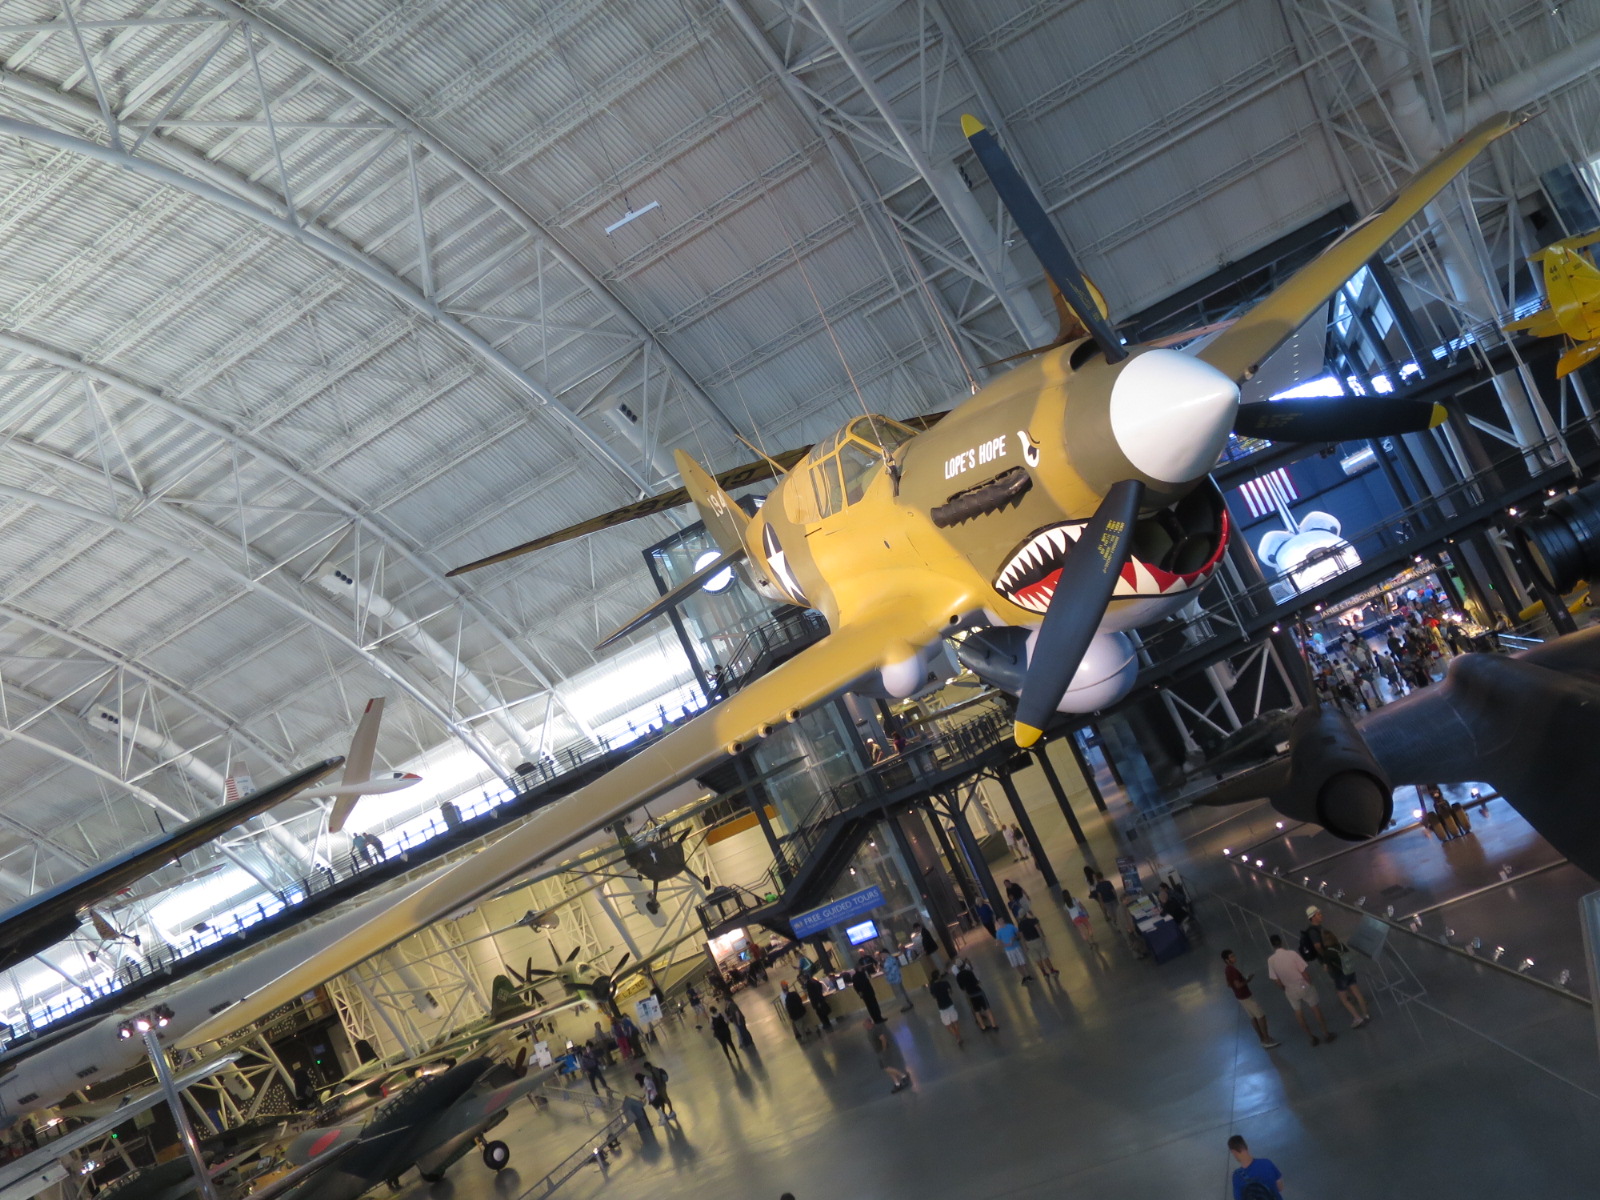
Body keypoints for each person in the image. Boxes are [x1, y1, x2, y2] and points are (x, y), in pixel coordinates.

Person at [1299, 906, 1371, 1027]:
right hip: (1344, 967)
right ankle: (1365, 1012)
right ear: (1313, 917)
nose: (1321, 915)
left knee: (1341, 991)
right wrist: (1326, 958)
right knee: (1354, 988)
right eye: (1318, 914)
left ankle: (1356, 1016)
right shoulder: (1314, 932)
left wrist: (1327, 960)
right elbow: (1317, 946)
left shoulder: (1319, 930)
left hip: (1337, 969)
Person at [1266, 933, 1336, 1046]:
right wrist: (1309, 982)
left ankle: (1311, 1037)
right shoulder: (1292, 954)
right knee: (1315, 1008)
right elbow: (1304, 972)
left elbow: (1276, 980)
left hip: (1289, 989)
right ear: (1281, 941)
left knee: (1298, 1013)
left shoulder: (1271, 960)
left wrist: (1284, 988)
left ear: (1272, 945)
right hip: (1302, 984)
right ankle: (1326, 1033)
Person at [1221, 950, 1280, 1049]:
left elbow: (1228, 984)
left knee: (1253, 1017)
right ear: (1227, 960)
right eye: (1231, 957)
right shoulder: (1232, 970)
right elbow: (1238, 985)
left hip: (1240, 997)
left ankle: (1262, 1038)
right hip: (1245, 996)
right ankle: (1266, 1039)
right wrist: (1248, 980)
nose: (1234, 958)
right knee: (1261, 1016)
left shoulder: (1227, 970)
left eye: (1234, 955)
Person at [863, 1016, 910, 1093]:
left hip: (882, 1052)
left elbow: (883, 1039)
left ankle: (903, 1076)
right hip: (879, 1053)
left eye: (865, 1024)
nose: (864, 1026)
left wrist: (884, 1050)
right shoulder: (870, 1031)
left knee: (886, 1068)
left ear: (869, 1023)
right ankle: (897, 1083)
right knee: (887, 1068)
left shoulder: (875, 1029)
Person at [953, 957, 998, 1032]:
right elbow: (976, 982)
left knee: (977, 1011)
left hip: (970, 994)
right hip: (978, 992)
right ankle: (994, 1025)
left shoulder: (958, 977)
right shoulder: (969, 972)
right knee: (987, 1009)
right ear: (963, 965)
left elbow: (962, 988)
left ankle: (983, 1027)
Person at [927, 968, 963, 1046]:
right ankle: (958, 1035)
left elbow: (934, 996)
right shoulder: (945, 983)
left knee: (948, 1025)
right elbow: (950, 992)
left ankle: (957, 1036)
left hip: (942, 1007)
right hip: (949, 1004)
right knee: (955, 1021)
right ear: (938, 976)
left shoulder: (932, 987)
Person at [1017, 911, 1059, 976]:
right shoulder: (1032, 921)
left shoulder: (1020, 925)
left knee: (1037, 959)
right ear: (1025, 915)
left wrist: (1025, 946)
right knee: (1044, 956)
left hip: (1029, 943)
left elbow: (1021, 936)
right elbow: (1038, 929)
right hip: (1037, 940)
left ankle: (1044, 973)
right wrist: (1042, 937)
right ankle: (1052, 971)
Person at [995, 914, 1032, 982]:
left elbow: (1018, 934)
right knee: (1015, 964)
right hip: (1009, 950)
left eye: (1002, 919)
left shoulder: (1010, 926)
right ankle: (1024, 976)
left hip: (1016, 947)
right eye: (1000, 920)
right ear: (998, 921)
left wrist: (1014, 938)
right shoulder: (998, 932)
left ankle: (1028, 975)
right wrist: (1005, 945)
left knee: (1023, 962)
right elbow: (998, 942)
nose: (1002, 921)